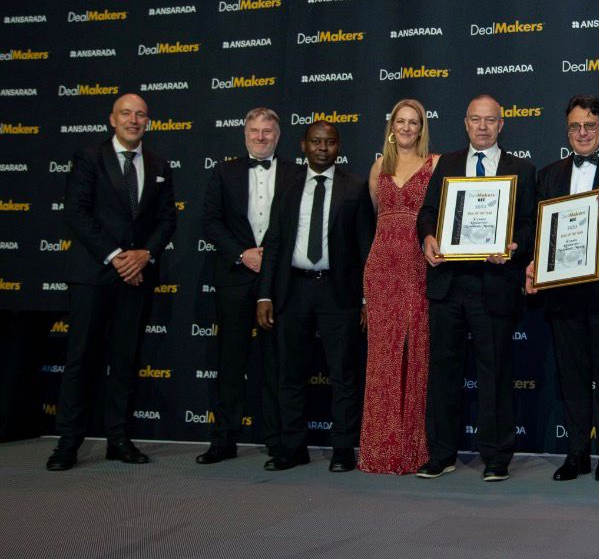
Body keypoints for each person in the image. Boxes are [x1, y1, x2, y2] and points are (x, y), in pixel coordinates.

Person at [46, 94, 177, 471]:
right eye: (126, 114)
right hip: (94, 275)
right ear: (112, 119)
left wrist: (144, 255)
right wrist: (118, 255)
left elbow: (167, 219)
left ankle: (118, 439)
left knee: (125, 360)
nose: (134, 120)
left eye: (141, 115)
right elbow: (76, 212)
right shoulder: (89, 157)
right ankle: (68, 443)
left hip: (137, 277)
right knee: (81, 358)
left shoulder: (159, 164)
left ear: (148, 122)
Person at [526, 95, 599, 482]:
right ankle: (576, 453)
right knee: (572, 378)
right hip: (563, 294)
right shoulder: (549, 175)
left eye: (590, 126)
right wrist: (534, 264)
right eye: (575, 127)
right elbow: (540, 232)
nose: (582, 133)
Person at [416, 95, 537, 482]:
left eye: (490, 120)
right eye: (475, 120)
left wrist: (514, 247)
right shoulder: (446, 164)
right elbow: (428, 212)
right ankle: (441, 453)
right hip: (449, 284)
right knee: (443, 372)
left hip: (495, 283)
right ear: (465, 123)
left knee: (495, 372)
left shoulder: (522, 169)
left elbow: (530, 223)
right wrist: (428, 237)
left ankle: (496, 456)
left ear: (501, 125)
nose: (482, 127)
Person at [256, 121, 372, 472]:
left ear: (339, 147)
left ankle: (342, 449)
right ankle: (293, 448)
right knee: (290, 374)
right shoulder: (287, 185)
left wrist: (367, 299)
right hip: (293, 290)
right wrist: (264, 295)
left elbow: (365, 247)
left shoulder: (355, 187)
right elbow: (274, 242)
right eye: (316, 142)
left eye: (330, 142)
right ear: (303, 145)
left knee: (343, 374)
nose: (323, 148)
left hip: (339, 293)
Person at [197, 107, 301, 467]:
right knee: (230, 362)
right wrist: (243, 254)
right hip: (235, 277)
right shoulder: (223, 172)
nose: (260, 137)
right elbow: (210, 222)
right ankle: (223, 440)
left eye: (267, 131)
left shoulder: (296, 174)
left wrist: (270, 258)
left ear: (278, 135)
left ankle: (278, 440)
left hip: (280, 280)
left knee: (277, 363)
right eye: (254, 131)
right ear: (244, 134)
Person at [360, 99, 439, 475]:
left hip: (418, 267)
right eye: (401, 121)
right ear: (391, 127)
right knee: (383, 360)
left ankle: (411, 451)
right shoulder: (379, 167)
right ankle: (379, 450)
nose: (407, 128)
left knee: (416, 356)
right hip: (381, 270)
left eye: (414, 122)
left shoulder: (434, 164)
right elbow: (376, 220)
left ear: (422, 128)